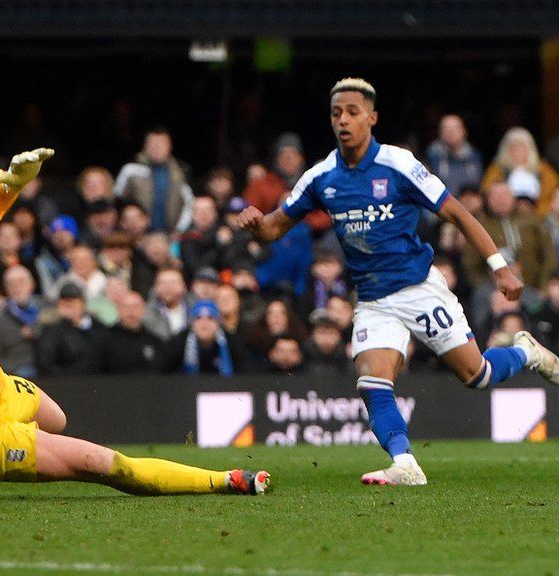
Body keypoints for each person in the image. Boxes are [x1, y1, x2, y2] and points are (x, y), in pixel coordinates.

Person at [0, 148, 269, 505]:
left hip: (1, 391)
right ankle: (227, 480)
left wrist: (8, 184)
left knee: (56, 419)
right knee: (104, 463)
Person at [235, 77, 559, 486]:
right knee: (372, 381)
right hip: (373, 299)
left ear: (372, 117)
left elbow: (456, 213)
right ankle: (405, 462)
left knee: (477, 376)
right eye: (336, 113)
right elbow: (273, 228)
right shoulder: (321, 178)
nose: (344, 121)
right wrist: (254, 225)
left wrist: (499, 266)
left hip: (419, 288)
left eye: (353, 112)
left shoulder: (399, 164)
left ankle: (526, 352)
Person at [114, 127, 195, 233]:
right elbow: (117, 199)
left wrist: (179, 230)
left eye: (161, 143)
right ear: (145, 146)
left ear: (169, 146)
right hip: (135, 234)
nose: (156, 147)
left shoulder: (181, 173)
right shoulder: (131, 169)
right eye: (152, 143)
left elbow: (189, 204)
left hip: (170, 235)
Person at [481, 127, 559, 217]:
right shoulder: (496, 170)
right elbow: (488, 194)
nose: (518, 151)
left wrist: (536, 212)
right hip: (507, 217)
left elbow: (552, 194)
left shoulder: (544, 170)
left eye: (522, 147)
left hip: (539, 216)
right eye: (513, 147)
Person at [0, 265, 42, 379]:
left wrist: (36, 330)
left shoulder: (47, 308)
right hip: (18, 372)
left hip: (49, 367)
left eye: (21, 282)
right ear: (6, 289)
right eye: (11, 284)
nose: (17, 287)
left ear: (32, 284)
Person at [102, 290, 170, 374]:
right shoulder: (104, 340)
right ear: (118, 310)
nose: (131, 311)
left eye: (136, 306)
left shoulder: (155, 342)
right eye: (126, 307)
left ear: (143, 309)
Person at [425, 114, 483, 196]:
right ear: (440, 133)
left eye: (455, 128)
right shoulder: (432, 156)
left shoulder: (475, 156)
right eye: (446, 129)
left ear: (464, 131)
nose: (450, 132)